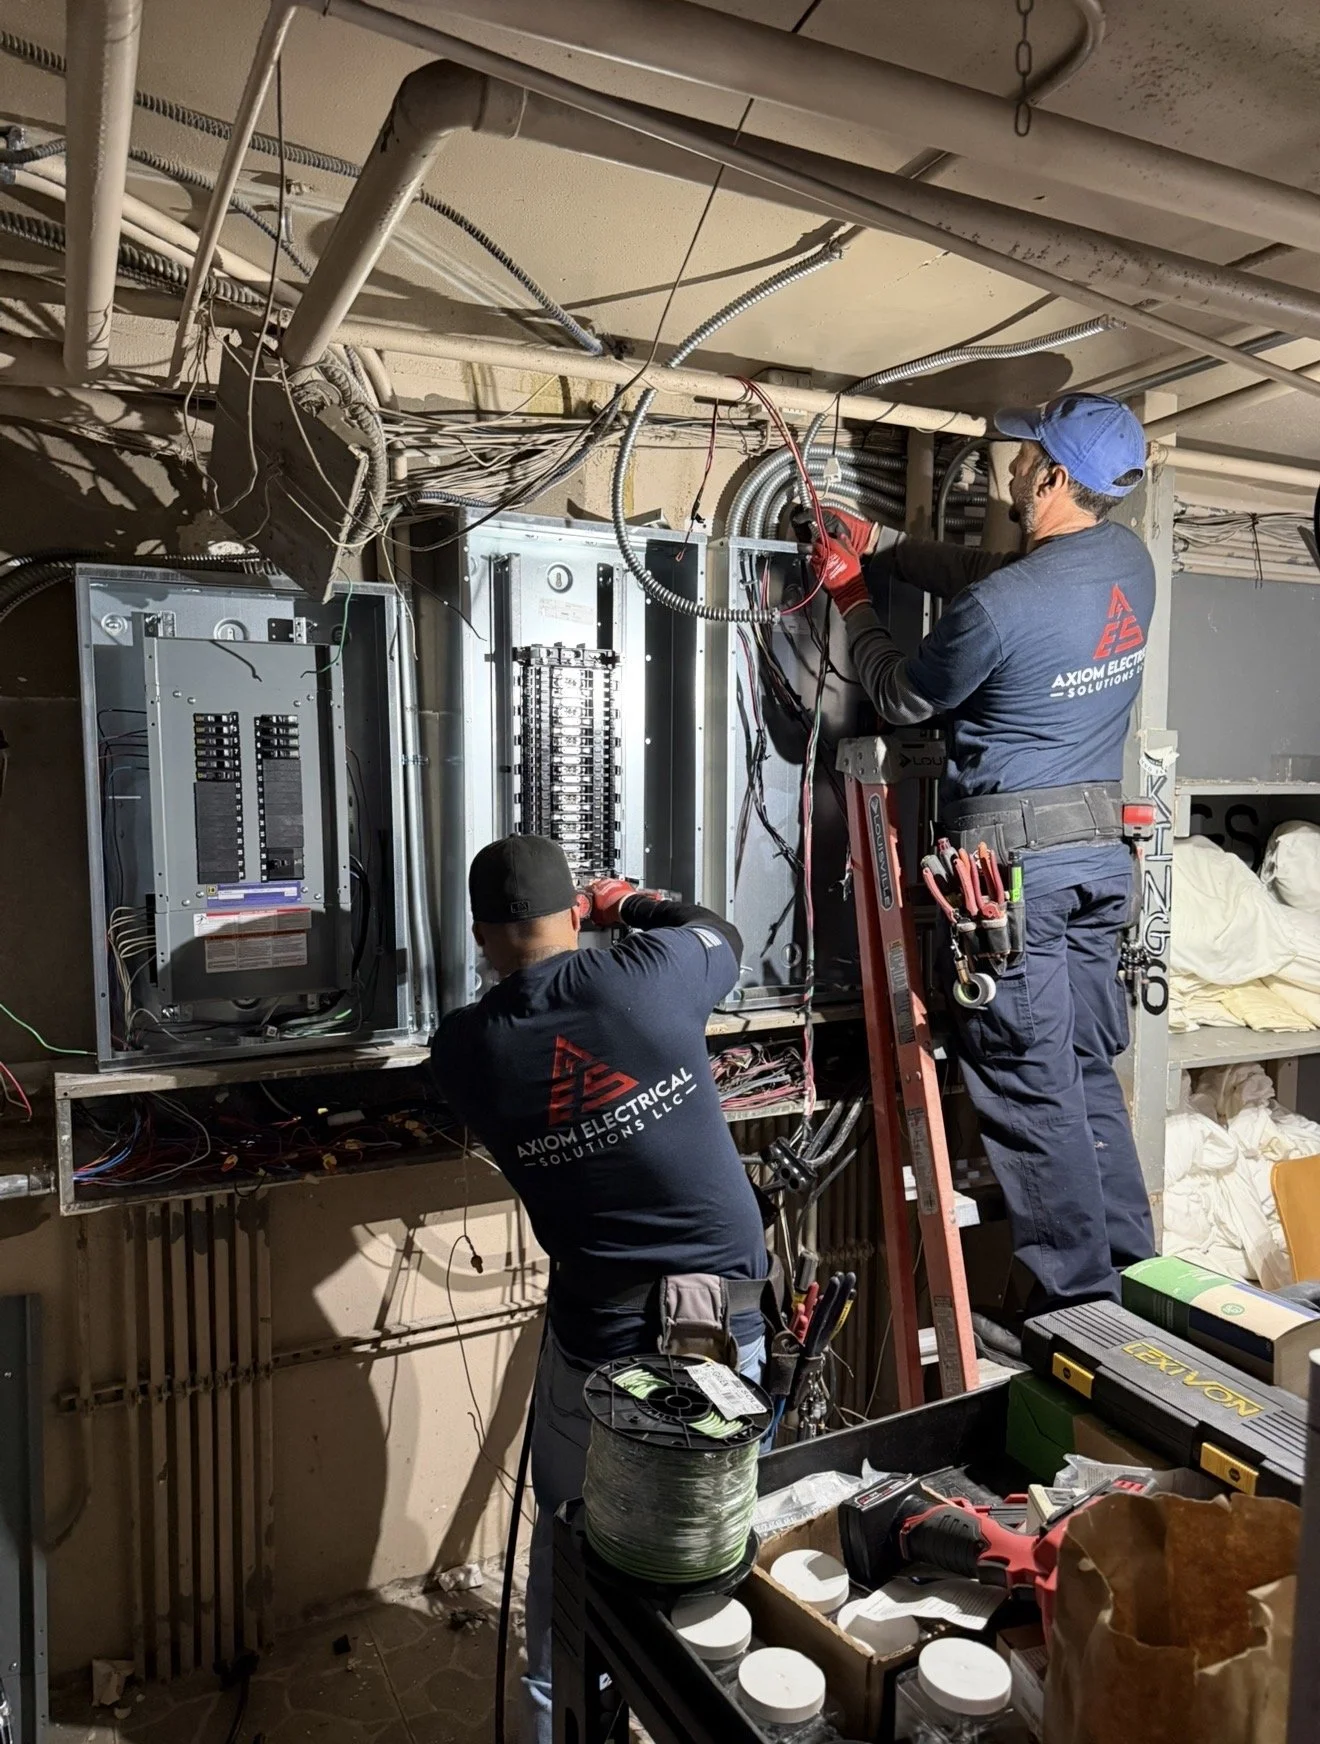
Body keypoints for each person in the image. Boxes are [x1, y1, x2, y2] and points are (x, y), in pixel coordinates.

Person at [807, 391, 1157, 1317]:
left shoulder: (1004, 607)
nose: (1009, 463)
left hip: (1015, 878)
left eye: (1023, 453)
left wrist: (850, 594)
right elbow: (988, 578)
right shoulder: (1127, 561)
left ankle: (1076, 1318)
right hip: (1092, 864)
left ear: (1051, 477)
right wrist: (882, 542)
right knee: (1085, 1075)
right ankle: (1135, 1280)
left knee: (1033, 1090)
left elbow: (901, 693)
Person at [429, 834, 770, 1744]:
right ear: (574, 912)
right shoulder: (653, 975)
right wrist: (632, 902)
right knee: (710, 1527)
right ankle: (710, 1706)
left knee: (574, 1539)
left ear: (480, 935)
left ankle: (560, 1719)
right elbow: (720, 933)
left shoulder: (465, 1052)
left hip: (602, 1336)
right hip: (726, 1313)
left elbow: (492, 1038)